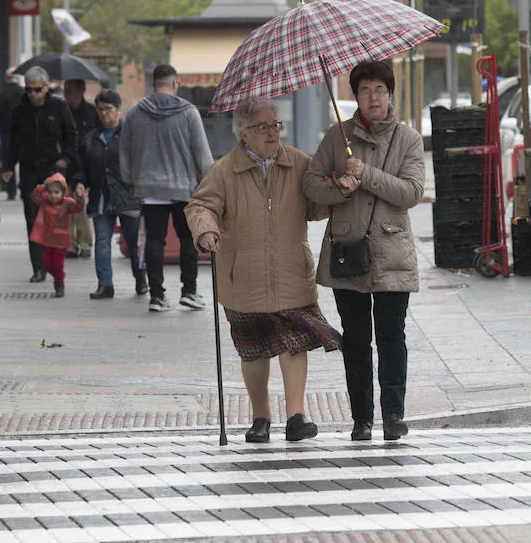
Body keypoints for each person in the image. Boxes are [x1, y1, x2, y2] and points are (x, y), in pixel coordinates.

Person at [186, 97, 339, 443]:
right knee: (253, 350)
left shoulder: (299, 163)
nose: (273, 132)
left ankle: (297, 416)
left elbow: (317, 206)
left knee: (294, 343)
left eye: (276, 125)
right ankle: (261, 417)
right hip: (244, 277)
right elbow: (201, 205)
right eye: (263, 126)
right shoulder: (224, 171)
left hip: (290, 272)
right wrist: (206, 230)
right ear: (243, 133)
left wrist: (337, 186)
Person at [302, 60, 425, 442]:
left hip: (391, 253)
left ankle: (393, 415)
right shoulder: (336, 136)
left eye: (380, 91)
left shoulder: (409, 139)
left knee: (392, 336)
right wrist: (340, 187)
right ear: (355, 96)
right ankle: (362, 419)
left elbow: (411, 193)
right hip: (348, 250)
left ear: (390, 95)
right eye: (365, 91)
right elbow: (309, 185)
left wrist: (366, 174)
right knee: (355, 339)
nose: (373, 98)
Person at [120, 64, 213, 312]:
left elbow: (125, 152)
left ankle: (157, 296)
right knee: (187, 239)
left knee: (154, 241)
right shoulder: (189, 112)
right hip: (185, 188)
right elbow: (202, 153)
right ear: (175, 84)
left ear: (154, 84)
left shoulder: (136, 112)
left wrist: (130, 181)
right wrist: (210, 182)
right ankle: (189, 292)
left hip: (150, 188)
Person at [2, 66, 79, 283]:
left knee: (54, 219)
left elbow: (72, 136)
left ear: (46, 88)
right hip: (29, 171)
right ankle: (38, 268)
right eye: (28, 90)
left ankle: (54, 264)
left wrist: (64, 160)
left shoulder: (59, 107)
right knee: (32, 219)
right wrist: (9, 166)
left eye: (37, 90)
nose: (32, 94)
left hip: (52, 171)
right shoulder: (20, 111)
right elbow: (14, 142)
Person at [74, 89, 148, 299]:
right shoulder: (89, 139)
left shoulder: (131, 136)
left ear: (118, 110)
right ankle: (105, 284)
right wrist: (79, 183)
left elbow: (141, 165)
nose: (104, 113)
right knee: (102, 241)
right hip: (100, 198)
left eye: (108, 109)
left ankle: (140, 278)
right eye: (100, 110)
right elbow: (81, 169)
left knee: (133, 242)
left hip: (128, 197)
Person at [29, 173, 86, 297]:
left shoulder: (67, 203)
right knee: (48, 265)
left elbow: (78, 208)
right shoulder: (44, 202)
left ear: (63, 192)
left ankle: (59, 285)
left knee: (57, 264)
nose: (53, 196)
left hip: (61, 241)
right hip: (47, 239)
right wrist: (42, 187)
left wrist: (80, 198)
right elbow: (34, 197)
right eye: (50, 192)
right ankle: (59, 275)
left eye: (56, 192)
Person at [64, 79, 97, 260]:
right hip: (67, 163)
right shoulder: (62, 111)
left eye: (71, 90)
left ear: (82, 91)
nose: (68, 93)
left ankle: (85, 243)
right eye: (66, 90)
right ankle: (71, 244)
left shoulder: (92, 113)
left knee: (82, 205)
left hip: (86, 164)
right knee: (67, 205)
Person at [0, 67, 24, 201]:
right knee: (24, 161)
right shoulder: (24, 94)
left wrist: (0, 128)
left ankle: (11, 191)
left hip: (6, 133)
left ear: (6, 78)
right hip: (23, 133)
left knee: (7, 161)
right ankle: (24, 189)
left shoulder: (0, 95)